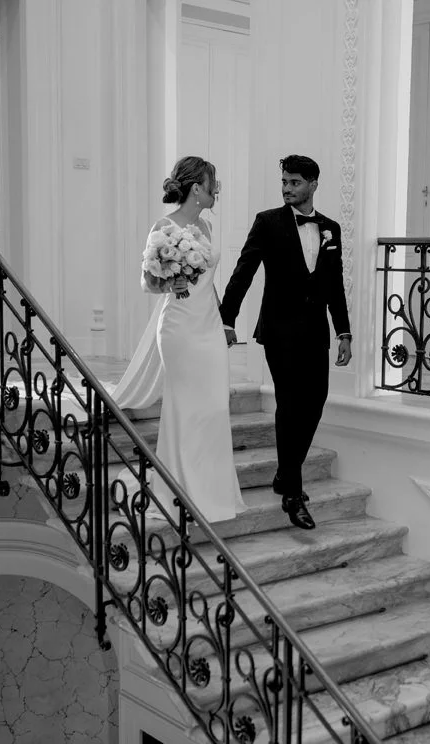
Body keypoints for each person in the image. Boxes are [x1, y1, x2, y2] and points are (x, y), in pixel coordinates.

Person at [219, 155, 352, 530]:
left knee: (316, 401)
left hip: (316, 331)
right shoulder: (268, 222)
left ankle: (285, 471)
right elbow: (244, 271)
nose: (287, 188)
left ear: (313, 184)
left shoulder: (330, 229)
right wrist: (227, 318)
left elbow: (334, 285)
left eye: (295, 182)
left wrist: (343, 331)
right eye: (284, 182)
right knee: (290, 404)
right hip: (278, 330)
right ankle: (293, 493)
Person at [110, 156, 246, 523]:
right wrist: (171, 282)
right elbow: (147, 283)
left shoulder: (206, 226)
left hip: (208, 326)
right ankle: (181, 491)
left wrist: (224, 322)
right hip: (179, 328)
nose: (217, 190)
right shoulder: (164, 227)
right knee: (185, 407)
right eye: (212, 184)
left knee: (215, 406)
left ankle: (213, 491)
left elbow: (209, 283)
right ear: (197, 188)